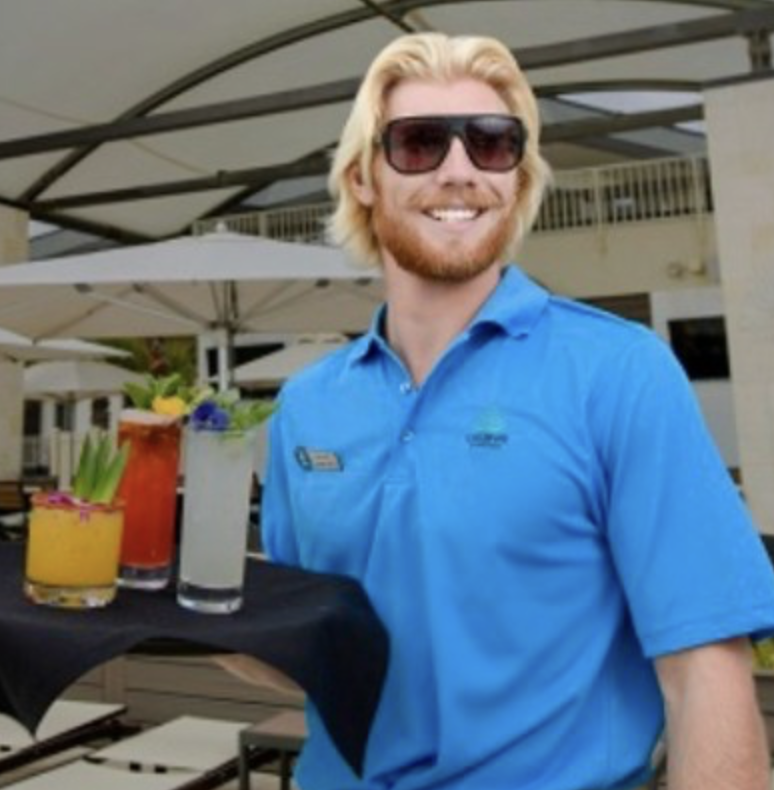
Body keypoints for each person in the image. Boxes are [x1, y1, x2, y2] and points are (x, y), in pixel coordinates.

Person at [258, 32, 774, 790]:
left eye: (493, 145)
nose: (460, 171)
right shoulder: (306, 405)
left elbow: (703, 677)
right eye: (420, 143)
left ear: (519, 174)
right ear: (362, 177)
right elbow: (302, 648)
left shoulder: (618, 372)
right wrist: (144, 610)